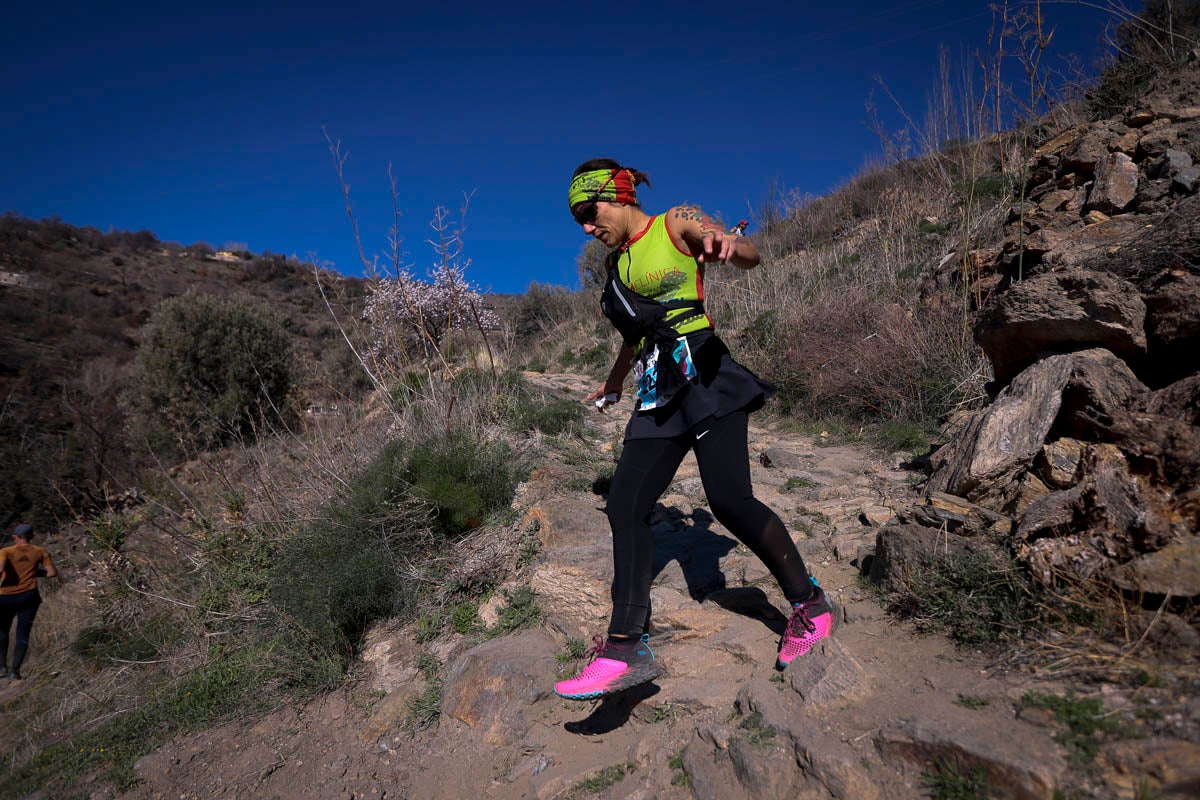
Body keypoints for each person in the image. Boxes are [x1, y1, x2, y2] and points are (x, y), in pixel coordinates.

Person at [553, 159, 836, 701]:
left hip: (705, 371)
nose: (588, 227)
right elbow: (634, 336)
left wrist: (731, 247)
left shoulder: (674, 222)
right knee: (623, 505)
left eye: (590, 213)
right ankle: (623, 648)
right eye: (579, 222)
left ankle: (809, 604)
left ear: (618, 195)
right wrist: (613, 382)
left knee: (729, 501)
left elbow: (744, 253)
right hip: (658, 389)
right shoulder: (616, 268)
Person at [0, 523, 58, 681]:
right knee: (23, 633)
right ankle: (15, 672)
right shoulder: (40, 551)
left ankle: (2, 668)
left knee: (2, 630)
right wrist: (33, 572)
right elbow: (52, 573)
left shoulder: (5, 551)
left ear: (15, 537)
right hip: (29, 596)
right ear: (31, 536)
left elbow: (0, 570)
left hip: (5, 596)